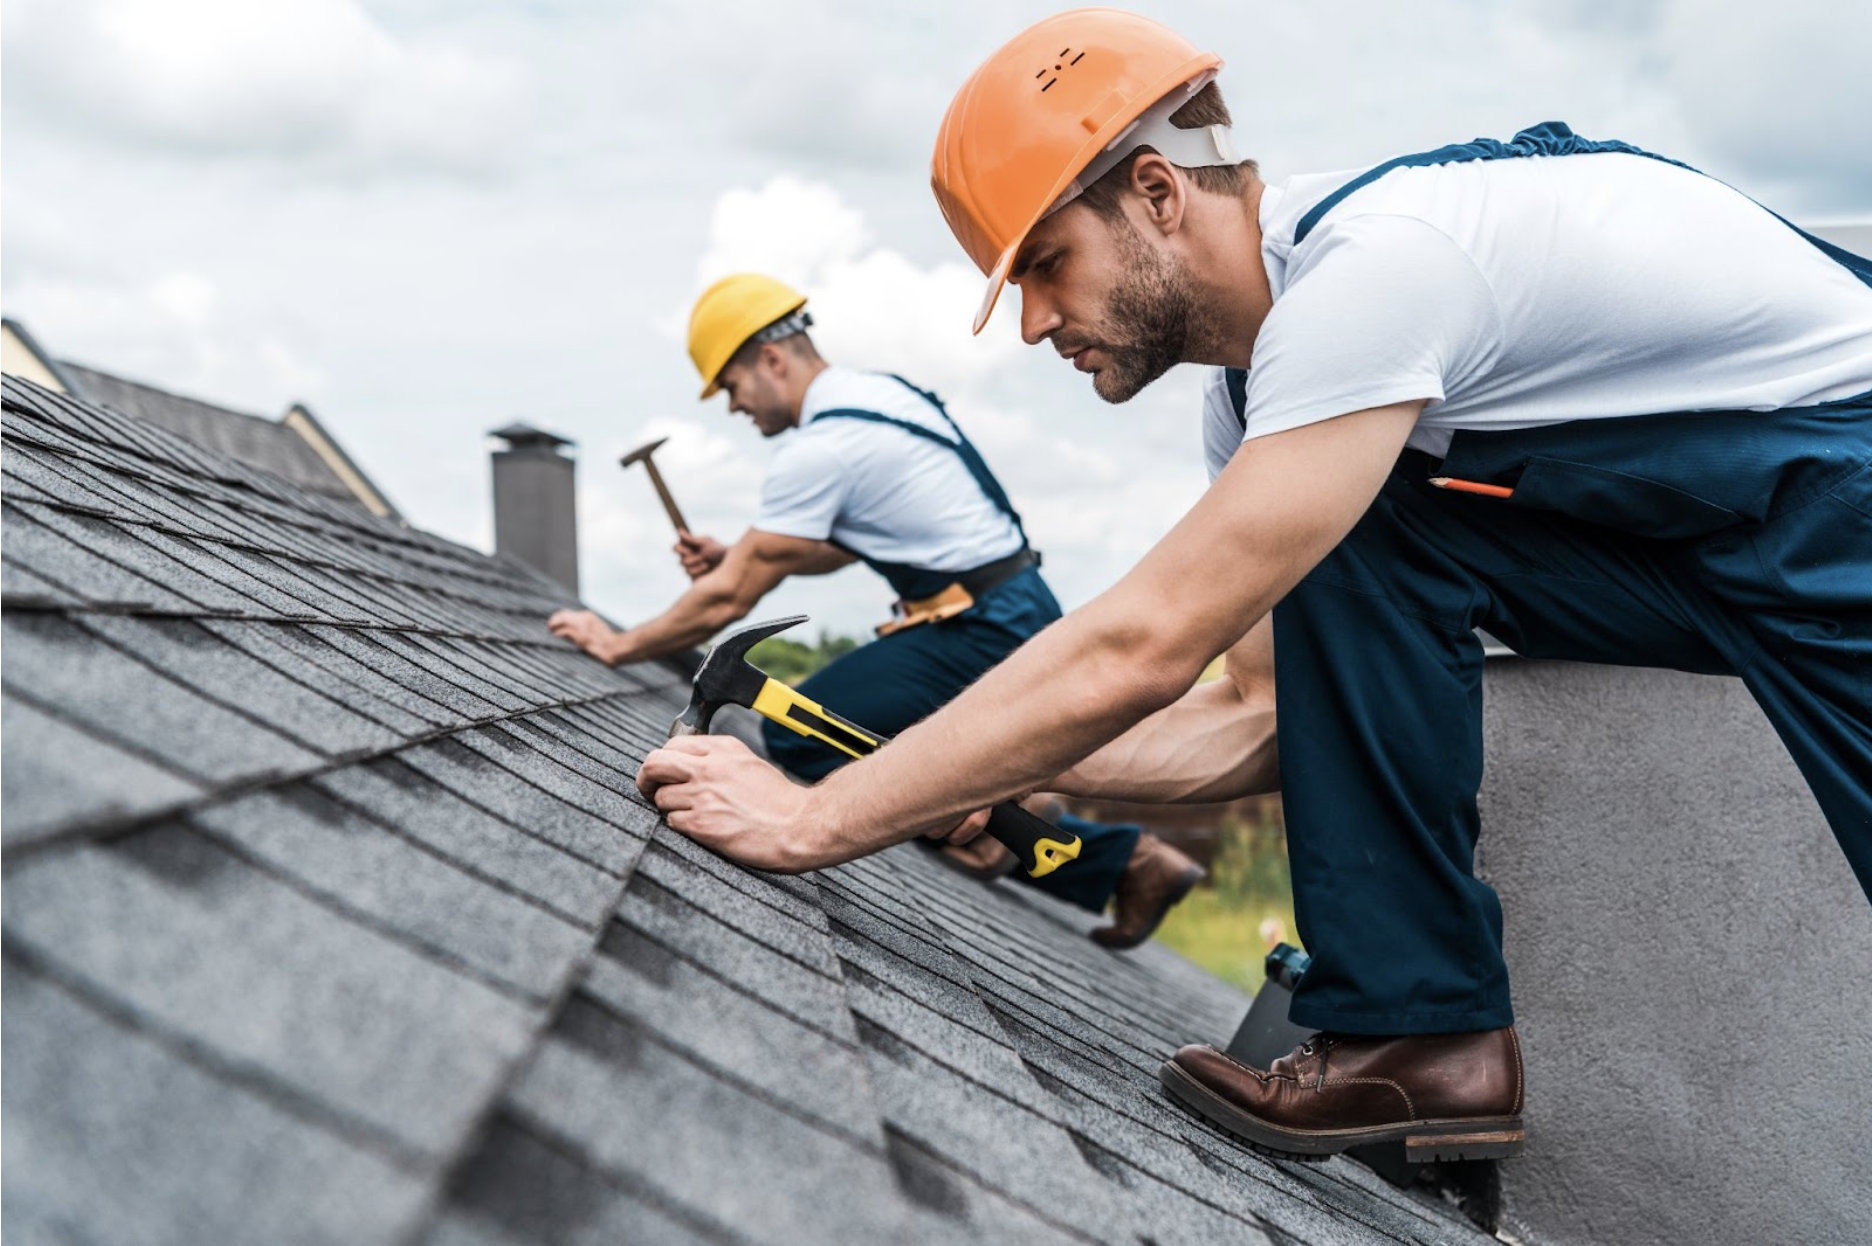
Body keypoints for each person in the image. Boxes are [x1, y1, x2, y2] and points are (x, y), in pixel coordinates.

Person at [634, 8, 1872, 1164]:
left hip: (1840, 490)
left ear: (1158, 194)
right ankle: (1421, 1032)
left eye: (1047, 264)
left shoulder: (1375, 278)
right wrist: (983, 772)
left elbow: (1143, 646)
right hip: (1713, 539)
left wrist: (820, 816)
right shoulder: (1270, 408)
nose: (1032, 325)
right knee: (1364, 530)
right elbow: (1260, 715)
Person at [549, 271, 1206, 948]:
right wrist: (739, 553)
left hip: (979, 627)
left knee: (798, 736)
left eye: (732, 387)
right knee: (893, 750)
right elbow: (833, 548)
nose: (734, 408)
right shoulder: (879, 398)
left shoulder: (823, 446)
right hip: (1006, 608)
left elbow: (730, 597)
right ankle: (1077, 842)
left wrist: (618, 643)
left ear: (771, 359)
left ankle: (1040, 833)